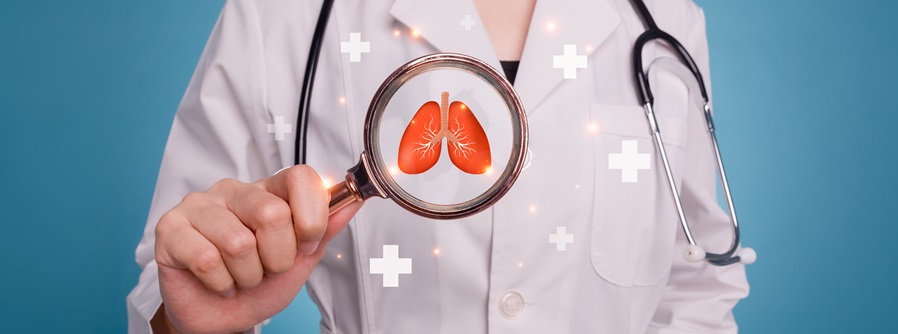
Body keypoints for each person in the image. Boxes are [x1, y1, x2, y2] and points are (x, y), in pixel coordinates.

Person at [127, 0, 749, 333]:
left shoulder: (665, 22)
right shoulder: (283, 16)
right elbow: (178, 280)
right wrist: (194, 333)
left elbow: (696, 282)